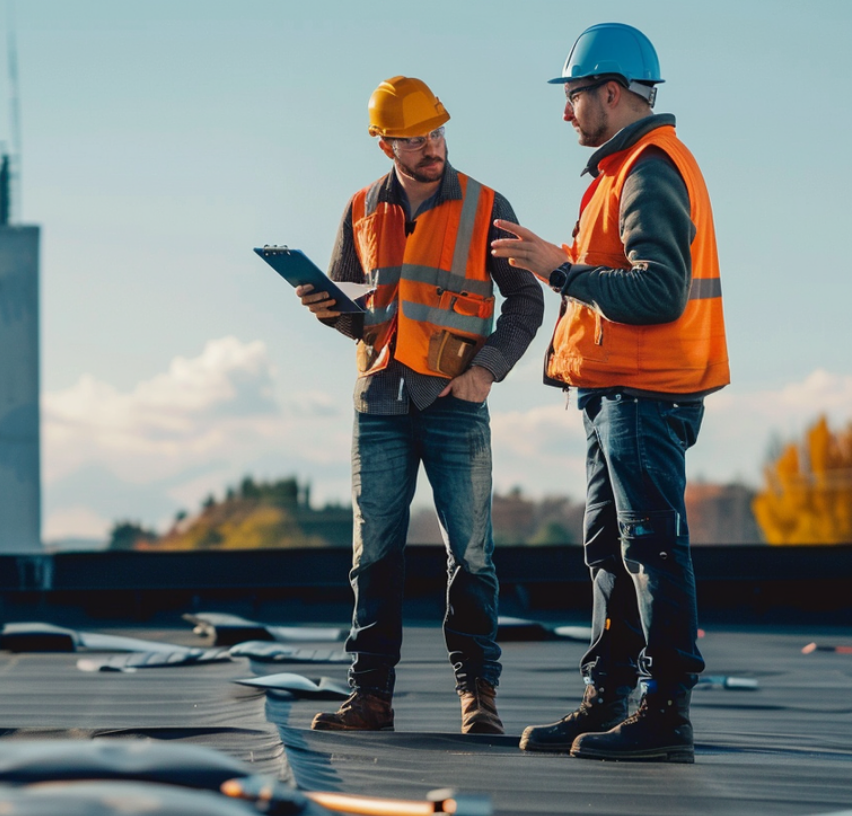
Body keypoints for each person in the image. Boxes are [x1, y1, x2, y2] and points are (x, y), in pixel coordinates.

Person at [490, 23, 729, 763]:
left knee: (650, 547)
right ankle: (608, 700)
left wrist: (557, 270)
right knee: (612, 551)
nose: (567, 112)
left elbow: (657, 293)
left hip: (644, 394)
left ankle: (664, 715)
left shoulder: (650, 170)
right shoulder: (624, 167)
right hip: (615, 395)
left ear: (611, 92)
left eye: (574, 96)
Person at [298, 76, 543, 735]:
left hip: (455, 401)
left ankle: (478, 698)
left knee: (471, 553)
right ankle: (370, 697)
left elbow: (527, 300)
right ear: (386, 145)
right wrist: (330, 310)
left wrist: (487, 371)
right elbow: (358, 314)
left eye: (436, 133)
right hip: (379, 400)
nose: (431, 147)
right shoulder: (358, 210)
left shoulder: (487, 205)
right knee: (373, 552)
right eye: (414, 139)